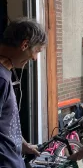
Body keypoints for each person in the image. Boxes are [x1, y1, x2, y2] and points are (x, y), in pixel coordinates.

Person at [0, 19, 47, 168]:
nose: (34, 58)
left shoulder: (5, 71)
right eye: (36, 51)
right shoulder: (0, 78)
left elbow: (5, 122)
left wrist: (23, 144)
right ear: (25, 45)